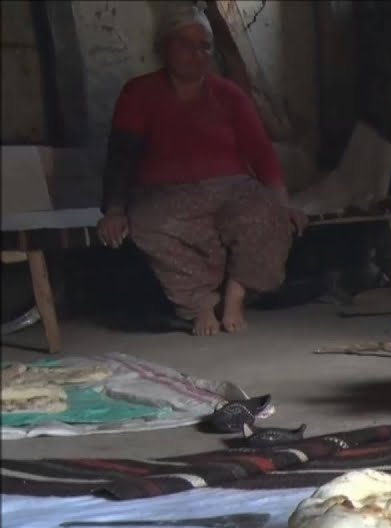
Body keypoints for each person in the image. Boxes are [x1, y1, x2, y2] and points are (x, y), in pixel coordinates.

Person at [96, 2, 306, 336]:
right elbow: (121, 155)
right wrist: (115, 209)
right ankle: (202, 303)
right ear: (164, 48)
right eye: (186, 44)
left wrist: (281, 199)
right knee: (148, 223)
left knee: (268, 213)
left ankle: (235, 295)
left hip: (233, 190)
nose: (198, 53)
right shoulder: (139, 93)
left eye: (205, 46)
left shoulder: (229, 95)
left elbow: (261, 153)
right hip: (166, 194)